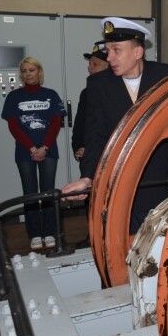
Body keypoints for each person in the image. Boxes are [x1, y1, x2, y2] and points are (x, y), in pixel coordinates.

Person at [62, 17, 168, 234]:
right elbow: (95, 135)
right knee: (123, 244)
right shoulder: (98, 84)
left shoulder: (164, 75)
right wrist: (88, 177)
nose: (109, 57)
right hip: (118, 181)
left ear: (138, 52)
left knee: (158, 245)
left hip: (157, 180)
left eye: (116, 50)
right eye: (108, 50)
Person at [1, 57, 67, 250]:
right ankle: (35, 234)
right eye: (24, 71)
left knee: (48, 192)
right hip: (24, 152)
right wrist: (32, 148)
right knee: (30, 193)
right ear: (21, 75)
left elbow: (56, 124)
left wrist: (44, 147)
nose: (27, 74)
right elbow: (14, 127)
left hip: (48, 151)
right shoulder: (14, 97)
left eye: (31, 70)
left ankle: (50, 232)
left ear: (39, 71)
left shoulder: (51, 95)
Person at [71, 43, 109, 249]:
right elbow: (81, 124)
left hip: (108, 155)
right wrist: (78, 146)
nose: (89, 67)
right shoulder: (87, 93)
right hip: (88, 155)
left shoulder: (116, 93)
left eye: (95, 64)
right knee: (90, 199)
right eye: (90, 64)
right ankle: (92, 236)